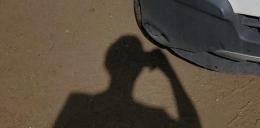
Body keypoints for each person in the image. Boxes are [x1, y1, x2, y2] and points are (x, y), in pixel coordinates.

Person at [53, 36, 200, 128]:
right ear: (141, 70)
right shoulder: (155, 117)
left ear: (106, 65)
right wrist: (170, 74)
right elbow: (192, 124)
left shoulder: (77, 104)